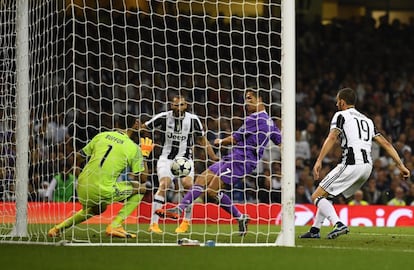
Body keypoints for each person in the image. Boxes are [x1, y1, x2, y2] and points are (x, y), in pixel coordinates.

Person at [156, 89, 282, 236]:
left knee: (211, 191)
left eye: (249, 98)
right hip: (234, 157)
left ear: (260, 99)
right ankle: (180, 209)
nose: (246, 102)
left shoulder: (255, 118)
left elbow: (235, 139)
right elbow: (280, 141)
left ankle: (239, 216)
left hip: (242, 161)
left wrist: (220, 141)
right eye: (245, 99)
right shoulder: (269, 122)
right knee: (202, 179)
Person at [299, 88, 410, 240]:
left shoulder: (340, 115)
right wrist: (401, 165)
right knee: (327, 195)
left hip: (351, 163)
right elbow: (387, 144)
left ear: (342, 102)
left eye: (337, 101)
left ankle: (338, 224)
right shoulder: (367, 120)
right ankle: (314, 230)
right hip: (367, 168)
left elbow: (332, 138)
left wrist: (318, 160)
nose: (336, 104)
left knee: (316, 196)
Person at [47, 116, 153, 238]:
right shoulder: (133, 148)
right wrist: (144, 155)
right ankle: (115, 225)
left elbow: (78, 157)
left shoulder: (101, 136)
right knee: (141, 188)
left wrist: (81, 172)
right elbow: (143, 179)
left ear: (117, 123)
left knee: (98, 209)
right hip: (101, 190)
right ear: (135, 124)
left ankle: (57, 229)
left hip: (81, 186)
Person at [141, 95, 219, 234]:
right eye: (175, 105)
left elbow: (202, 139)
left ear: (186, 105)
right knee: (164, 185)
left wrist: (213, 156)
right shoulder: (164, 117)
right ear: (171, 106)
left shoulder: (193, 120)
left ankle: (185, 222)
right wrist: (146, 139)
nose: (178, 108)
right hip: (166, 158)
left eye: (181, 105)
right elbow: (143, 127)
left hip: (184, 160)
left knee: (188, 186)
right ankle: (153, 224)